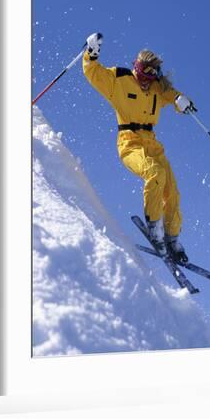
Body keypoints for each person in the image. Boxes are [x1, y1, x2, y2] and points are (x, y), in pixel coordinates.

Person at [83, 32, 196, 263]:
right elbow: (94, 73)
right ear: (138, 66)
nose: (150, 77)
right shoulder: (120, 79)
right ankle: (155, 226)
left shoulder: (157, 88)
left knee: (172, 191)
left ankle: (172, 238)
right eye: (147, 71)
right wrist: (91, 53)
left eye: (154, 73)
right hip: (130, 142)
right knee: (155, 173)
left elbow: (172, 96)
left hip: (152, 143)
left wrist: (182, 102)